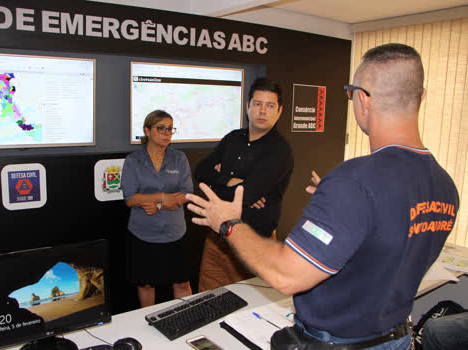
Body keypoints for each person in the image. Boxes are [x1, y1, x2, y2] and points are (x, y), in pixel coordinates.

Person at [186, 43, 459, 350]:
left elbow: (286, 276)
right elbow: (383, 250)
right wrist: (344, 213)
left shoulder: (354, 181)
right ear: (421, 97)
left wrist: (227, 223)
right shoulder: (445, 184)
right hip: (396, 338)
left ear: (362, 98)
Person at [194, 77, 294, 292]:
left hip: (253, 243)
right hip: (217, 239)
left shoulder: (280, 151)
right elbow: (201, 172)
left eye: (270, 106)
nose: (262, 111)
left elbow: (246, 196)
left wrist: (221, 186)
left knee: (248, 309)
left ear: (280, 111)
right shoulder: (232, 139)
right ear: (248, 106)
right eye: (257, 104)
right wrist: (230, 182)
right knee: (205, 303)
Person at [121, 109, 193, 307]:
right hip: (143, 234)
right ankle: (148, 320)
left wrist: (159, 204)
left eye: (170, 129)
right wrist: (163, 197)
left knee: (182, 282)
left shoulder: (179, 158)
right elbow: (130, 198)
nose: (166, 133)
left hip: (175, 233)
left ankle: (185, 318)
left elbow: (185, 194)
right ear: (147, 131)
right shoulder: (133, 160)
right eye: (160, 128)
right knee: (145, 284)